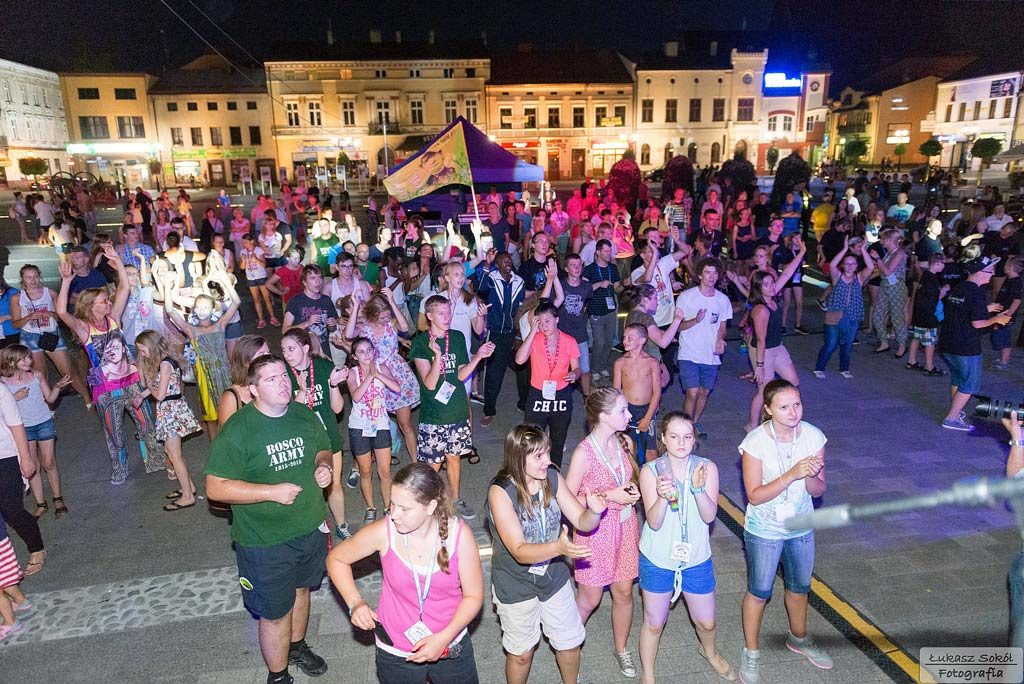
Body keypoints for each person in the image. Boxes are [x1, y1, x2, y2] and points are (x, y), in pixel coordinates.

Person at [205, 355, 333, 684]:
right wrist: (270, 492)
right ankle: (278, 676)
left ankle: (297, 647)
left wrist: (324, 466)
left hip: (309, 526)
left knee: (303, 591)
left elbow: (322, 447)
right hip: (265, 541)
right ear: (253, 389)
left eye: (284, 376)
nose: (283, 383)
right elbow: (215, 487)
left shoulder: (303, 414)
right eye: (271, 379)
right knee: (275, 612)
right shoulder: (239, 429)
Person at [327, 463, 484, 684]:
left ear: (430, 507)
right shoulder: (384, 532)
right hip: (396, 647)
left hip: (450, 643)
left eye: (404, 508)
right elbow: (336, 559)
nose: (393, 514)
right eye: (392, 503)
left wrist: (443, 638)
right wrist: (355, 603)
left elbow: (474, 596)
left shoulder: (460, 536)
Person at [487, 424, 608, 684]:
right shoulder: (500, 492)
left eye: (548, 453)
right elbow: (519, 551)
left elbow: (581, 520)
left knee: (570, 643)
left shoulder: (551, 477)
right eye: (539, 456)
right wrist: (559, 548)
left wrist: (595, 512)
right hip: (514, 582)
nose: (549, 462)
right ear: (519, 458)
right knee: (521, 654)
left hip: (552, 575)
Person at [738, 379, 831, 683]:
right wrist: (792, 474)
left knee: (800, 587)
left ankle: (799, 638)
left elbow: (818, 490)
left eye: (797, 404)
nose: (793, 412)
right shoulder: (755, 442)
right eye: (784, 406)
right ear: (768, 409)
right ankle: (751, 652)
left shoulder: (814, 436)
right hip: (765, 528)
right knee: (760, 590)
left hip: (801, 525)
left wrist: (812, 476)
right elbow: (754, 495)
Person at [638, 412, 733, 684]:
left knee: (707, 622)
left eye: (688, 436)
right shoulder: (650, 471)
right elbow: (654, 522)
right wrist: (664, 498)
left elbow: (709, 516)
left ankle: (710, 652)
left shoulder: (706, 468)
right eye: (674, 436)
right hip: (657, 557)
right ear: (664, 440)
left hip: (696, 557)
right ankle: (648, 674)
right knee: (654, 622)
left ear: (694, 439)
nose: (681, 442)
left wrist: (698, 489)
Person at [56, 247, 165, 484]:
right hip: (106, 389)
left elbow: (124, 289)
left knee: (146, 423)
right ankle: (120, 468)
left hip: (132, 381)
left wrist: (117, 261)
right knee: (115, 434)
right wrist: (66, 282)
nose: (108, 303)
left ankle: (156, 459)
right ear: (91, 305)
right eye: (104, 301)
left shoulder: (113, 317)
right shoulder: (84, 328)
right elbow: (62, 312)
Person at [564, 388, 642, 679]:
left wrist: (630, 492)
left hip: (625, 526)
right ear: (603, 416)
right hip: (595, 531)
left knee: (624, 592)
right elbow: (567, 498)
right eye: (623, 411)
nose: (630, 415)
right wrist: (610, 494)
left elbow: (628, 480)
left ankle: (621, 649)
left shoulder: (625, 442)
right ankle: (568, 649)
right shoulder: (584, 453)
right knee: (590, 599)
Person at [410, 295, 495, 520]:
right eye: (441, 313)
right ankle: (425, 505)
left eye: (449, 312)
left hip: (456, 409)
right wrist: (437, 355)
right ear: (429, 316)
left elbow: (459, 374)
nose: (447, 317)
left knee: (454, 458)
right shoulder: (420, 343)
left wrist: (478, 356)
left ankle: (455, 499)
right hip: (434, 415)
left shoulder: (456, 337)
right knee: (432, 466)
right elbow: (428, 384)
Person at [280, 327, 351, 539]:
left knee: (333, 484)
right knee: (308, 488)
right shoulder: (283, 375)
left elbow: (337, 409)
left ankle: (342, 524)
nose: (287, 354)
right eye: (283, 350)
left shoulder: (323, 366)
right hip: (300, 441)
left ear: (305, 348)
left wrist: (334, 385)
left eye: (291, 349)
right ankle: (312, 526)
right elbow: (287, 414)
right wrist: (301, 392)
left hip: (328, 437)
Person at [346, 291, 421, 462]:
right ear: (372, 315)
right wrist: (356, 307)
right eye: (383, 317)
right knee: (373, 423)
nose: (387, 320)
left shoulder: (391, 323)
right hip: (373, 375)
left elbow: (406, 329)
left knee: (406, 424)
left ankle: (417, 463)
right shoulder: (364, 327)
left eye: (388, 316)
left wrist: (392, 302)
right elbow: (348, 335)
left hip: (396, 375)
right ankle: (368, 459)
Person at [939, 256, 1012, 431]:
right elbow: (978, 323)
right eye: (990, 271)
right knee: (970, 384)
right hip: (966, 346)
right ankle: (951, 418)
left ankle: (956, 411)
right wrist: (997, 319)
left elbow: (962, 310)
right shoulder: (977, 292)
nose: (993, 274)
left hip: (948, 343)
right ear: (979, 273)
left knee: (958, 378)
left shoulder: (960, 288)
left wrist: (986, 309)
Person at [0, 345, 70, 519]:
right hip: (23, 428)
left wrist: (58, 387)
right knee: (32, 466)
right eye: (23, 358)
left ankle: (58, 499)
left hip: (43, 422)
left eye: (29, 357)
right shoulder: (4, 384)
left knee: (49, 462)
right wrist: (14, 398)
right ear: (11, 361)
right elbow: (3, 409)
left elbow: (50, 399)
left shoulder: (36, 376)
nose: (28, 361)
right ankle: (41, 504)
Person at [134, 330, 201, 511]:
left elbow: (160, 394)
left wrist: (147, 385)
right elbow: (163, 385)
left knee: (174, 455)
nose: (142, 354)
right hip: (172, 409)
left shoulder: (164, 365)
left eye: (143, 350)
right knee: (174, 453)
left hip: (170, 410)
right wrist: (142, 395)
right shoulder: (166, 361)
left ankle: (187, 496)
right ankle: (189, 487)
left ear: (151, 346)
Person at [747, 240, 807, 432]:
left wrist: (802, 252)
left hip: (778, 347)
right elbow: (761, 340)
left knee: (794, 382)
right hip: (763, 351)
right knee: (763, 390)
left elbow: (788, 272)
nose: (772, 286)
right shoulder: (760, 310)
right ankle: (752, 425)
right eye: (766, 285)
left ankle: (780, 413)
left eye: (772, 282)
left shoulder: (772, 298)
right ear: (759, 289)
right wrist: (760, 366)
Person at [10, 265, 91, 407]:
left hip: (51, 334)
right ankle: (49, 406)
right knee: (41, 373)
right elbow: (16, 324)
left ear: (39, 276)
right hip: (30, 337)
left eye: (35, 276)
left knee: (68, 371)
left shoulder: (51, 293)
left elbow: (61, 317)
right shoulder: (17, 297)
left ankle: (88, 400)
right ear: (22, 279)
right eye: (29, 277)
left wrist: (52, 314)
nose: (33, 280)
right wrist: (29, 317)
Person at [515, 302, 580, 469]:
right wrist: (532, 332)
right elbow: (519, 360)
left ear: (557, 320)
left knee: (558, 441)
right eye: (540, 321)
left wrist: (574, 374)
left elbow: (578, 368)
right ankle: (530, 472)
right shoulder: (534, 339)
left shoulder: (569, 341)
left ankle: (553, 474)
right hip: (537, 395)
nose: (544, 326)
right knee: (532, 438)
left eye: (547, 321)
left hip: (561, 396)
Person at [675, 257, 731, 438]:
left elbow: (722, 327)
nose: (711, 276)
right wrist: (695, 320)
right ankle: (686, 426)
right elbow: (678, 326)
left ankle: (694, 422)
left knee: (704, 392)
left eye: (715, 273)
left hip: (711, 355)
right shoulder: (686, 297)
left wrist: (720, 340)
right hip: (688, 353)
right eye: (707, 272)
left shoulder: (723, 300)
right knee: (692, 392)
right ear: (699, 274)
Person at [346, 336, 399, 522]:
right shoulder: (351, 373)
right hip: (359, 426)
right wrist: (369, 376)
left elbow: (396, 387)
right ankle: (370, 507)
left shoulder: (382, 367)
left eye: (369, 350)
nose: (366, 354)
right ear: (354, 356)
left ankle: (387, 507)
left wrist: (378, 374)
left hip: (381, 424)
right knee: (365, 470)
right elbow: (357, 397)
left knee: (385, 471)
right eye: (361, 351)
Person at [814, 236, 875, 379]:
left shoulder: (859, 278)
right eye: (847, 263)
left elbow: (871, 267)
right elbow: (832, 265)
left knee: (847, 345)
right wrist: (845, 248)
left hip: (853, 316)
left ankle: (844, 368)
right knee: (831, 344)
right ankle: (819, 367)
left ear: (856, 266)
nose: (850, 266)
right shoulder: (837, 277)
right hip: (834, 315)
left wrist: (864, 248)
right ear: (843, 265)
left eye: (853, 264)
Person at [478, 252, 525, 427]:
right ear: (497, 264)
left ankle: (524, 404)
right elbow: (481, 290)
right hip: (495, 333)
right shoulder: (491, 277)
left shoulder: (519, 281)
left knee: (523, 370)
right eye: (503, 261)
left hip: (512, 333)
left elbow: (520, 310)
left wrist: (519, 334)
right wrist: (487, 265)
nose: (507, 263)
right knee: (493, 374)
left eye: (509, 260)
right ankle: (489, 410)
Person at [614, 323, 662, 464]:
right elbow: (617, 390)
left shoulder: (652, 362)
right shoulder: (620, 362)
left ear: (642, 340)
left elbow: (657, 391)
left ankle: (652, 482)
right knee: (628, 448)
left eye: (630, 338)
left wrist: (648, 417)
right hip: (627, 410)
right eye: (624, 337)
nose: (625, 341)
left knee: (651, 452)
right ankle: (632, 481)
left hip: (647, 409)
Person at [583, 239, 622, 380]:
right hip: (596, 311)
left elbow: (617, 288)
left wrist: (624, 285)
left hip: (611, 310)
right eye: (606, 251)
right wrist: (599, 284)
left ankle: (603, 366)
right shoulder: (589, 270)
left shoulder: (613, 268)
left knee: (609, 341)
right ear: (598, 252)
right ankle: (594, 369)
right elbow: (585, 290)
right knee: (599, 341)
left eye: (610, 250)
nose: (609, 253)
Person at [905, 254, 948, 376]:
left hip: (919, 314)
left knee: (916, 337)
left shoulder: (924, 276)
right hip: (928, 315)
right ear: (937, 264)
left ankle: (911, 361)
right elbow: (933, 298)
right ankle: (929, 367)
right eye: (943, 263)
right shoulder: (932, 280)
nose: (944, 266)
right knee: (930, 342)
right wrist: (943, 292)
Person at [283, 265, 337, 356]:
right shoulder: (295, 301)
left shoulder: (326, 300)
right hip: (302, 352)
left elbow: (331, 329)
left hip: (323, 351)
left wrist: (332, 324)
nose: (318, 282)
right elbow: (284, 330)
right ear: (304, 282)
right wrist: (307, 323)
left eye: (320, 277)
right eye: (313, 278)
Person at [871, 229, 909, 357]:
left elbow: (888, 271)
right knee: (877, 315)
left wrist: (877, 259)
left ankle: (902, 345)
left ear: (889, 240)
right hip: (885, 286)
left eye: (882, 239)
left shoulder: (899, 254)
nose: (881, 241)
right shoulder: (888, 253)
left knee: (896, 318)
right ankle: (884, 342)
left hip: (896, 287)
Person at [240, 233, 277, 329]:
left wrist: (255, 259)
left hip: (261, 276)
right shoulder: (243, 252)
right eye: (243, 243)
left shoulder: (258, 250)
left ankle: (273, 317)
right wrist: (243, 260)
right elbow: (242, 267)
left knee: (266, 298)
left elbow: (264, 264)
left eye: (246, 242)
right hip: (251, 278)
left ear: (252, 241)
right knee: (256, 300)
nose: (245, 245)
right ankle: (261, 320)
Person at [992, 256, 1023, 370]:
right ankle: (1002, 358)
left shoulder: (1015, 282)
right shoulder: (1008, 279)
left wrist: (1008, 315)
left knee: (1005, 337)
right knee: (1000, 335)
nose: (1004, 266)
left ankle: (1005, 361)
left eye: (1006, 265)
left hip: (1006, 316)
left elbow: (1017, 300)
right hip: (1001, 314)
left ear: (1010, 267)